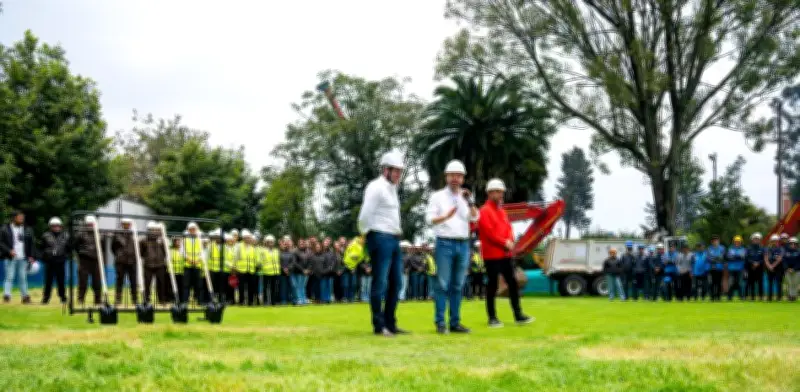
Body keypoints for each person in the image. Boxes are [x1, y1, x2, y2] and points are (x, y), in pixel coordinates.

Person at [425, 159, 479, 334]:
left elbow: (475, 218)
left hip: (463, 243)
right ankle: (441, 322)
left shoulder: (466, 197)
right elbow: (429, 219)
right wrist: (445, 217)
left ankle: (455, 322)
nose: (455, 178)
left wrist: (470, 201)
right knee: (442, 284)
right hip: (445, 242)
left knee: (457, 285)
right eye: (452, 175)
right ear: (446, 177)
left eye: (459, 175)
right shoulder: (437, 196)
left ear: (463, 178)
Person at [357, 150, 407, 337]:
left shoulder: (392, 189)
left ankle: (390, 323)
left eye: (400, 172)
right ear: (385, 170)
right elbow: (365, 214)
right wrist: (365, 234)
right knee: (380, 282)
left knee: (397, 282)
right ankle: (379, 325)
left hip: (393, 238)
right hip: (379, 236)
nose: (398, 175)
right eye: (395, 171)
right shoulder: (375, 187)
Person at [477, 178, 533, 327]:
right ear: (490, 193)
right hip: (492, 255)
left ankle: (518, 314)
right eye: (498, 192)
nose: (501, 195)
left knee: (513, 284)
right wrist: (504, 242)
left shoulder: (502, 211)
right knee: (493, 285)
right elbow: (488, 232)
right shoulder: (484, 211)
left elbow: (509, 229)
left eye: (502, 192)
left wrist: (511, 241)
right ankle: (492, 317)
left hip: (505, 254)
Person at [1, 211, 35, 304]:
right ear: (14, 218)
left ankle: (25, 297)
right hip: (10, 257)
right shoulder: (5, 229)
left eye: (22, 218)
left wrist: (31, 255)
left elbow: (31, 243)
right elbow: (1, 243)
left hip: (23, 257)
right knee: (9, 277)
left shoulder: (27, 229)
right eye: (19, 218)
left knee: (23, 277)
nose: (21, 219)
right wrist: (9, 251)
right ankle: (7, 296)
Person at [41, 217, 70, 304]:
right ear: (50, 226)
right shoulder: (45, 235)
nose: (56, 227)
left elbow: (69, 248)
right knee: (48, 281)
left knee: (61, 281)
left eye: (58, 226)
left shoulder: (66, 235)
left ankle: (63, 298)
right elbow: (42, 248)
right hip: (49, 261)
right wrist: (45, 257)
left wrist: (65, 256)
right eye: (54, 226)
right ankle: (46, 298)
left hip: (60, 261)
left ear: (61, 226)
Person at [111, 218, 138, 305]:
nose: (126, 225)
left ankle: (135, 300)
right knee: (119, 281)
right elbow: (113, 247)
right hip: (121, 261)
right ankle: (118, 299)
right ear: (122, 224)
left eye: (128, 223)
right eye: (125, 223)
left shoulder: (134, 234)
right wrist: (119, 255)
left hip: (132, 261)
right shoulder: (117, 234)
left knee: (133, 281)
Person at [139, 221, 166, 305]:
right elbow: (141, 252)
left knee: (161, 283)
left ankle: (162, 300)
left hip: (160, 264)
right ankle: (146, 299)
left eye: (155, 229)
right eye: (152, 229)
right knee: (147, 283)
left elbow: (165, 252)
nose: (154, 231)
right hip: (148, 264)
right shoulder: (143, 241)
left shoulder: (162, 240)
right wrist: (147, 258)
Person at [182, 222, 205, 304]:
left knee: (199, 284)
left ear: (196, 229)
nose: (192, 230)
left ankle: (200, 301)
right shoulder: (185, 238)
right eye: (191, 229)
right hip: (187, 265)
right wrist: (189, 259)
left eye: (194, 229)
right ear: (188, 230)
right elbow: (182, 251)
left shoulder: (200, 239)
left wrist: (198, 260)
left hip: (197, 264)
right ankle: (185, 301)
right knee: (186, 284)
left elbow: (203, 251)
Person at [235, 230, 259, 306]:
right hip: (241, 270)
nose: (248, 239)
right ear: (243, 238)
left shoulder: (253, 247)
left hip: (251, 270)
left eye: (249, 238)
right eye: (246, 238)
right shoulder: (239, 246)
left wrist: (257, 265)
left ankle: (250, 302)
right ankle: (241, 301)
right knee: (241, 287)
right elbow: (236, 257)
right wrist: (235, 267)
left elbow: (256, 257)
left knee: (251, 287)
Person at [342, 236, 364, 303]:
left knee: (353, 284)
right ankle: (346, 297)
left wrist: (353, 267)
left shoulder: (359, 248)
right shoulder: (349, 248)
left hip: (354, 269)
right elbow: (345, 259)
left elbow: (360, 258)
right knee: (346, 284)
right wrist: (350, 267)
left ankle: (351, 298)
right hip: (347, 268)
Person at [260, 235, 281, 306]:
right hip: (266, 272)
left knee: (274, 288)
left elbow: (278, 261)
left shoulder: (276, 250)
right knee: (265, 288)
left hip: (275, 272)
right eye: (269, 242)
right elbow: (260, 261)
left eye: (272, 242)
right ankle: (265, 301)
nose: (271, 244)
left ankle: (273, 302)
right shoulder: (263, 251)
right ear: (266, 243)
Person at [744, 233, 765, 301]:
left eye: (758, 239)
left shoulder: (762, 248)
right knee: (751, 283)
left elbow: (764, 258)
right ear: (752, 240)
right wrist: (753, 263)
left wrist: (758, 263)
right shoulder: (748, 248)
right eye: (755, 239)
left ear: (760, 240)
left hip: (760, 268)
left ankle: (760, 296)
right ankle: (752, 297)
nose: (756, 240)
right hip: (751, 268)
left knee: (760, 283)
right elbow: (747, 258)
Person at [764, 234, 785, 301]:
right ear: (771, 241)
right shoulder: (767, 249)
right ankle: (769, 297)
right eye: (773, 241)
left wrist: (773, 266)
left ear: (778, 241)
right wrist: (769, 266)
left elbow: (780, 258)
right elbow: (766, 258)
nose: (774, 242)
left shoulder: (781, 249)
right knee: (770, 282)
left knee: (778, 282)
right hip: (769, 267)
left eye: (776, 241)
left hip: (778, 267)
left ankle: (779, 297)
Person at [726, 235, 747, 301]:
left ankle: (741, 297)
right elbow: (729, 257)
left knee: (740, 283)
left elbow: (743, 257)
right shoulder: (730, 249)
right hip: (731, 268)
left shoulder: (743, 249)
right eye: (736, 241)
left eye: (738, 241)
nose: (737, 242)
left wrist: (735, 256)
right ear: (734, 242)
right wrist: (738, 257)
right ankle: (729, 297)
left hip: (740, 268)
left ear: (741, 242)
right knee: (731, 282)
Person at [707, 235, 726, 301]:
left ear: (718, 241)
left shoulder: (722, 248)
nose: (715, 242)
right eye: (714, 241)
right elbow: (709, 258)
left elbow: (722, 257)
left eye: (716, 240)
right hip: (712, 268)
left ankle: (718, 296)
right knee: (712, 283)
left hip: (719, 268)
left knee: (718, 282)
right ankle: (712, 296)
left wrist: (715, 258)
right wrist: (716, 258)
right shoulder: (709, 248)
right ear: (712, 242)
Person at [278, 236, 296, 305]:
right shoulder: (279, 253)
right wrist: (283, 268)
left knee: (292, 287)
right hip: (282, 273)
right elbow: (278, 262)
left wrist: (288, 268)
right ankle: (283, 300)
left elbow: (293, 262)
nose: (285, 245)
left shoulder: (291, 253)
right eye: (284, 244)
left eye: (286, 244)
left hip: (290, 272)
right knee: (283, 287)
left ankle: (292, 300)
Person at [167, 237, 184, 303]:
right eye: (177, 241)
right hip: (172, 272)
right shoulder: (171, 251)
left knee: (180, 286)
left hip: (181, 271)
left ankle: (180, 299)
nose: (178, 243)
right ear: (174, 243)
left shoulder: (182, 251)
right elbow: (168, 261)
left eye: (179, 241)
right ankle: (172, 299)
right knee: (172, 286)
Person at [784, 237, 799, 301]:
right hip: (787, 270)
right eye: (791, 243)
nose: (792, 245)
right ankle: (790, 295)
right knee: (789, 283)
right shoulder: (786, 252)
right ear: (789, 244)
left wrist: (794, 269)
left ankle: (794, 296)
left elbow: (799, 262)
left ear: (796, 244)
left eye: (794, 244)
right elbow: (784, 261)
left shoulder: (799, 252)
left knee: (795, 283)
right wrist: (787, 268)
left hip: (797, 271)